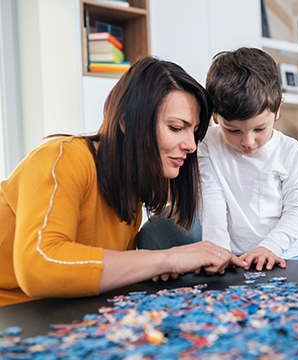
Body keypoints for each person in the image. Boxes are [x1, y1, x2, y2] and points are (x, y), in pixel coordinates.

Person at [0, 57, 245, 306]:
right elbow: (40, 265)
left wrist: (148, 266)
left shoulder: (131, 191)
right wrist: (168, 259)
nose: (191, 146)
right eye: (175, 127)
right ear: (127, 120)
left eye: (194, 132)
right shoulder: (62, 158)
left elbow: (91, 272)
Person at [199, 47, 298, 271]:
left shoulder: (292, 151)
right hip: (234, 255)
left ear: (278, 108)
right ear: (214, 117)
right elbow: (212, 202)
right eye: (233, 130)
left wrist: (270, 247)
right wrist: (218, 250)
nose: (248, 141)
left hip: (286, 253)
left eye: (259, 128)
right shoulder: (208, 144)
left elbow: (297, 211)